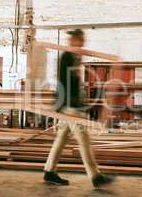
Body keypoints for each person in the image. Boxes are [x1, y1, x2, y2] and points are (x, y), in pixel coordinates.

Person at [43, 29, 114, 187]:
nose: (83, 43)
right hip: (70, 106)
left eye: (83, 40)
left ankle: (49, 171)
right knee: (84, 141)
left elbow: (74, 82)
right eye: (80, 40)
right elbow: (64, 82)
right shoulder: (67, 56)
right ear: (73, 40)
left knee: (61, 138)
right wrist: (74, 104)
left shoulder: (74, 56)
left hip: (69, 105)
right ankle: (95, 176)